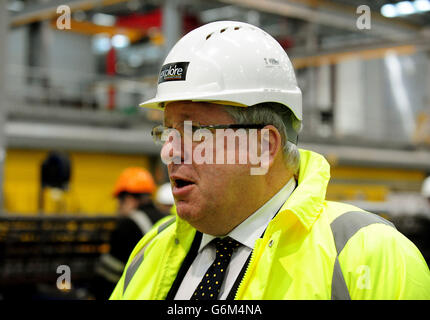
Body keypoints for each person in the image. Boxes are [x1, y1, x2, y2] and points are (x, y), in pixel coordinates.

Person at [110, 21, 430, 300]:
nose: (168, 152)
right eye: (167, 132)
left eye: (195, 132)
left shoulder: (371, 256)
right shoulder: (151, 250)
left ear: (263, 147)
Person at [92, 167, 166, 299]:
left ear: (128, 199)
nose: (118, 207)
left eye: (119, 201)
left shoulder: (126, 226)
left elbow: (109, 276)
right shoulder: (166, 220)